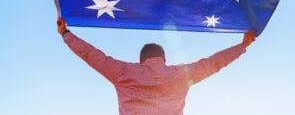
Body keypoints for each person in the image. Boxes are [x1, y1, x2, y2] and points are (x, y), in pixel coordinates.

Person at [57, 17, 256, 115]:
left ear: (141, 59)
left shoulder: (123, 72)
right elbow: (214, 63)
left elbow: (91, 55)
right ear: (164, 59)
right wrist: (243, 45)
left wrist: (66, 33)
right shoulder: (181, 75)